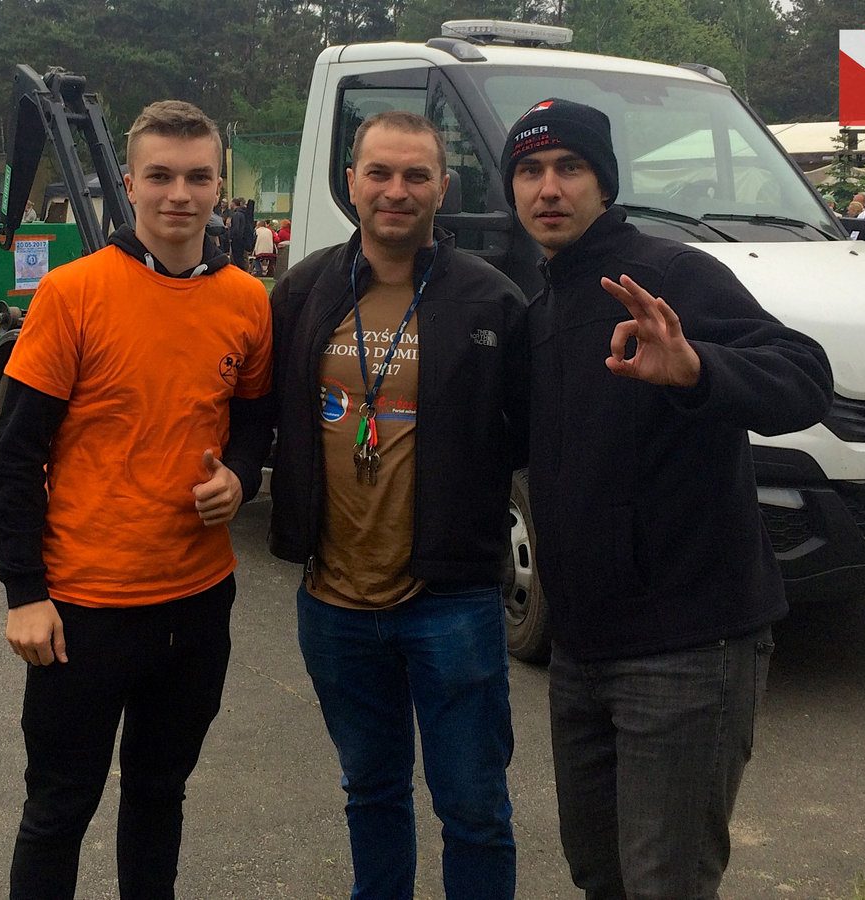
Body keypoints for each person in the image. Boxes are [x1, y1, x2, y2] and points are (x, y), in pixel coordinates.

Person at [500, 98, 833, 900]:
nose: (549, 188)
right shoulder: (540, 314)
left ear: (605, 184)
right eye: (530, 171)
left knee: (667, 882)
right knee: (599, 874)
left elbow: (804, 376)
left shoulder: (673, 276)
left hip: (688, 649)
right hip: (581, 653)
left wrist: (697, 369)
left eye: (570, 167)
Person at [0, 99, 273, 900]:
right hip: (86, 609)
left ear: (220, 185)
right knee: (59, 807)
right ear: (131, 182)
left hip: (198, 603)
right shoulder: (73, 293)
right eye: (160, 176)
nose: (180, 194)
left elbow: (254, 421)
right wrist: (25, 594)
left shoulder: (246, 300)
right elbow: (15, 460)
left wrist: (240, 478)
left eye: (198, 177)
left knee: (159, 793)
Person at [257, 109, 527, 899]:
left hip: (451, 602)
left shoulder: (490, 300)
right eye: (379, 172)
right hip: (333, 603)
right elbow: (252, 409)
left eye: (416, 175)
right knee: (370, 792)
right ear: (352, 183)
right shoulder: (304, 289)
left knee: (474, 810)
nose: (396, 191)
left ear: (444, 188)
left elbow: (532, 435)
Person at [228, 196, 254, 270]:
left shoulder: (237, 214)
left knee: (237, 259)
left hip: (237, 241)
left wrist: (232, 237)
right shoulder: (243, 213)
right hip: (243, 241)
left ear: (233, 203)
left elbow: (236, 229)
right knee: (242, 258)